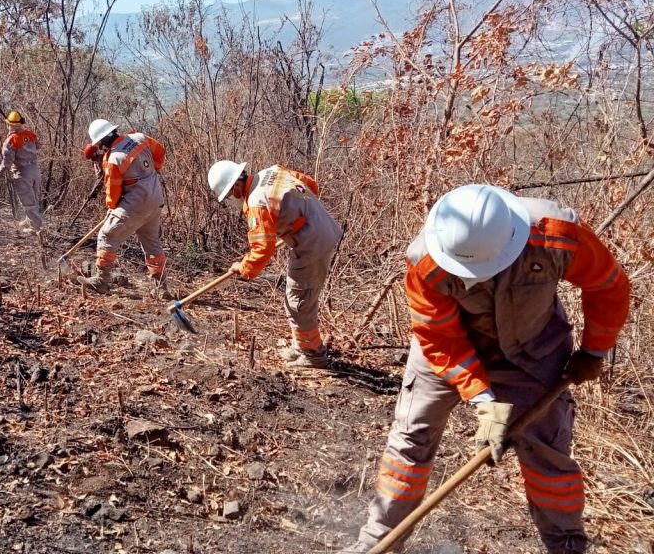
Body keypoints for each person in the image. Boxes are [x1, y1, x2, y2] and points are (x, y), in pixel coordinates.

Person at [343, 184, 630, 553]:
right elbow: (440, 338)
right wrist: (481, 397)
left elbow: (608, 285)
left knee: (547, 453)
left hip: (534, 351)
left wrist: (594, 350)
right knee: (411, 439)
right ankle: (378, 542)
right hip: (446, 349)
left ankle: (567, 546)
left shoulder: (556, 234)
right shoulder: (426, 260)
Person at [207, 160, 342, 368]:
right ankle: (302, 346)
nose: (231, 199)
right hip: (321, 226)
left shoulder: (256, 203)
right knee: (298, 297)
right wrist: (299, 215)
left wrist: (243, 268)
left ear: (235, 186)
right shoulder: (273, 171)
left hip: (312, 240)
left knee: (298, 299)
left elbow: (263, 249)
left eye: (229, 195)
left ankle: (313, 355)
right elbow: (310, 185)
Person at [78, 119, 170, 299]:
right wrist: (152, 171)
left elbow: (113, 191)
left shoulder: (113, 159)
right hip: (156, 199)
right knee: (151, 243)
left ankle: (102, 281)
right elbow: (160, 152)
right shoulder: (139, 137)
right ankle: (162, 288)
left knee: (107, 235)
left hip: (136, 204)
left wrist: (112, 209)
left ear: (101, 141)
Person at [0, 111, 43, 235]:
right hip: (35, 171)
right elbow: (38, 146)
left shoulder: (11, 140)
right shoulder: (30, 134)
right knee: (33, 198)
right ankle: (29, 220)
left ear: (10, 125)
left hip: (22, 173)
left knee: (28, 201)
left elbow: (8, 160)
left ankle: (35, 227)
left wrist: (1, 170)